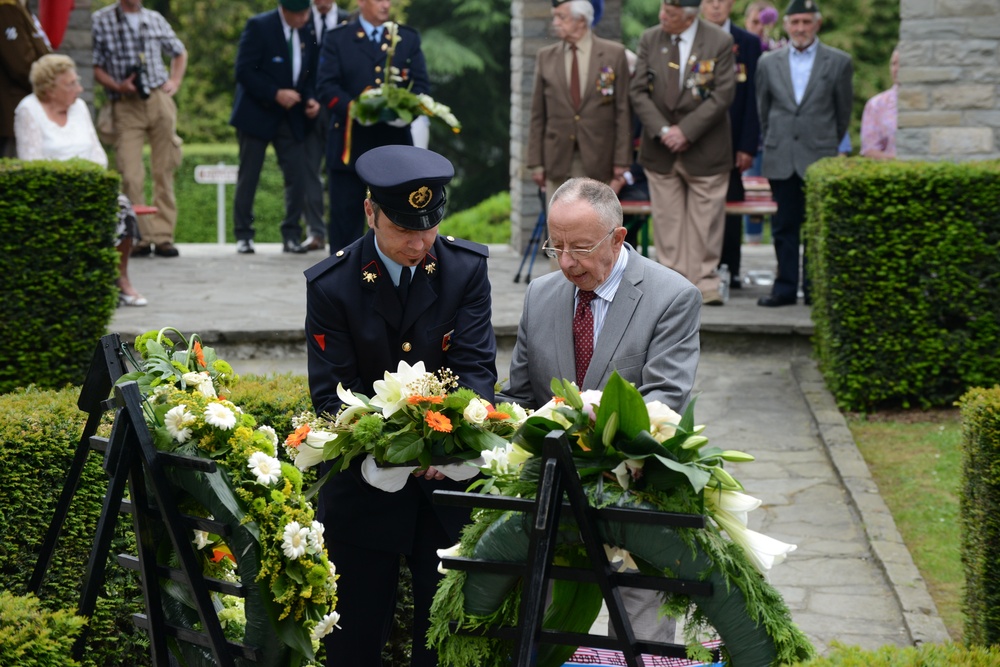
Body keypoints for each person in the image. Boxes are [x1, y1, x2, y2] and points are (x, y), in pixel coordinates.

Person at [304, 145, 497, 667]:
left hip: (446, 488)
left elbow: (478, 371)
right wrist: (407, 449)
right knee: (352, 640)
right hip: (365, 489)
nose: (419, 245)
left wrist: (446, 443)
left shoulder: (463, 269)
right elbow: (332, 395)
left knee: (444, 642)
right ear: (370, 213)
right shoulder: (333, 284)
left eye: (428, 229)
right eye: (404, 231)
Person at [500, 177, 701, 641]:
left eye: (582, 248)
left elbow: (662, 404)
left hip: (636, 495)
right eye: (556, 247)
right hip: (553, 499)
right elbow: (518, 398)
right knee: (545, 629)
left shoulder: (672, 297)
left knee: (641, 638)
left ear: (618, 238)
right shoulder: (540, 296)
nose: (567, 263)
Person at [14, 54, 147, 306]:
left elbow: (98, 154)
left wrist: (87, 181)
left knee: (123, 208)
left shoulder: (79, 108)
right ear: (50, 88)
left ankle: (120, 280)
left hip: (89, 187)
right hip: (50, 192)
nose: (79, 89)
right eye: (71, 84)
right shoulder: (28, 110)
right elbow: (31, 162)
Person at [629, 0, 735, 306]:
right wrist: (664, 131)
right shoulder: (651, 38)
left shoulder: (719, 41)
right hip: (660, 150)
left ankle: (705, 281)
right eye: (663, 10)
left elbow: (723, 93)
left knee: (706, 221)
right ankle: (672, 284)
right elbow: (638, 91)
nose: (662, 17)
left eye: (671, 14)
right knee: (667, 220)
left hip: (706, 148)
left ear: (689, 17)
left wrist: (686, 131)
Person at [755, 0, 852, 307]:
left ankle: (814, 289)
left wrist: (824, 142)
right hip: (781, 154)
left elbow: (843, 113)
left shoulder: (838, 62)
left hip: (818, 155)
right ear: (786, 25)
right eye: (795, 22)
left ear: (817, 24)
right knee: (784, 225)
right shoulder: (768, 62)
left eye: (806, 22)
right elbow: (764, 111)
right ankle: (784, 288)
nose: (800, 28)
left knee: (816, 226)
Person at [315, 0, 430, 254]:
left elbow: (421, 86)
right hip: (351, 142)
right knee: (345, 221)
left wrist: (406, 110)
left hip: (394, 144)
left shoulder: (406, 38)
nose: (386, 4)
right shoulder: (338, 38)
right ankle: (340, 282)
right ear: (361, 2)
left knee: (397, 218)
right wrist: (355, 107)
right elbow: (325, 86)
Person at [92, 0, 186, 258]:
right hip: (125, 103)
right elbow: (95, 66)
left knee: (164, 169)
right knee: (130, 173)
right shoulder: (102, 19)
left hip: (158, 98)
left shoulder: (154, 18)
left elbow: (179, 51)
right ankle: (139, 238)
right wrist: (118, 85)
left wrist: (175, 81)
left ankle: (164, 237)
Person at [230, 0, 323, 256]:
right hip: (257, 113)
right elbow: (244, 71)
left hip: (291, 115)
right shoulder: (259, 26)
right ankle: (244, 235)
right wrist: (274, 93)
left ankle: (292, 234)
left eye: (307, 13)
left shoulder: (306, 30)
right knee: (249, 175)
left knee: (298, 175)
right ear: (285, 10)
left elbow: (310, 72)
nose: (305, 19)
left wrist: (311, 98)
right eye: (300, 14)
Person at [527, 0, 632, 197]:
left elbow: (623, 111)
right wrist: (536, 163)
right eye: (554, 17)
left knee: (595, 222)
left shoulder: (614, 54)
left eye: (561, 17)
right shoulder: (546, 57)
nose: (555, 23)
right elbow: (537, 114)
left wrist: (622, 161)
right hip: (557, 159)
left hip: (599, 159)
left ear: (581, 21)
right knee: (558, 223)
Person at [701, 0, 761, 291]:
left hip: (733, 139)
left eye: (721, 1)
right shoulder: (691, 38)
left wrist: (748, 146)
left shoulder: (748, 42)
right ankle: (698, 268)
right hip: (695, 140)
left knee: (730, 202)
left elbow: (753, 98)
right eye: (709, 1)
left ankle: (731, 268)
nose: (715, 7)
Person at [299, 0, 352, 252]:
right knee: (310, 171)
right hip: (309, 109)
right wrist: (310, 98)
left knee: (344, 174)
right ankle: (316, 232)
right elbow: (303, 67)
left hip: (342, 111)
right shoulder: (301, 20)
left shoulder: (349, 21)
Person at [1, 0, 49, 157]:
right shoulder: (5, 8)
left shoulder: (20, 6)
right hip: (11, 109)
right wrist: (50, 85)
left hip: (24, 107)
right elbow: (21, 64)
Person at [860, 46, 898, 159]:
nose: (896, 69)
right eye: (893, 64)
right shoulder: (877, 104)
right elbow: (869, 150)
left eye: (903, 64)